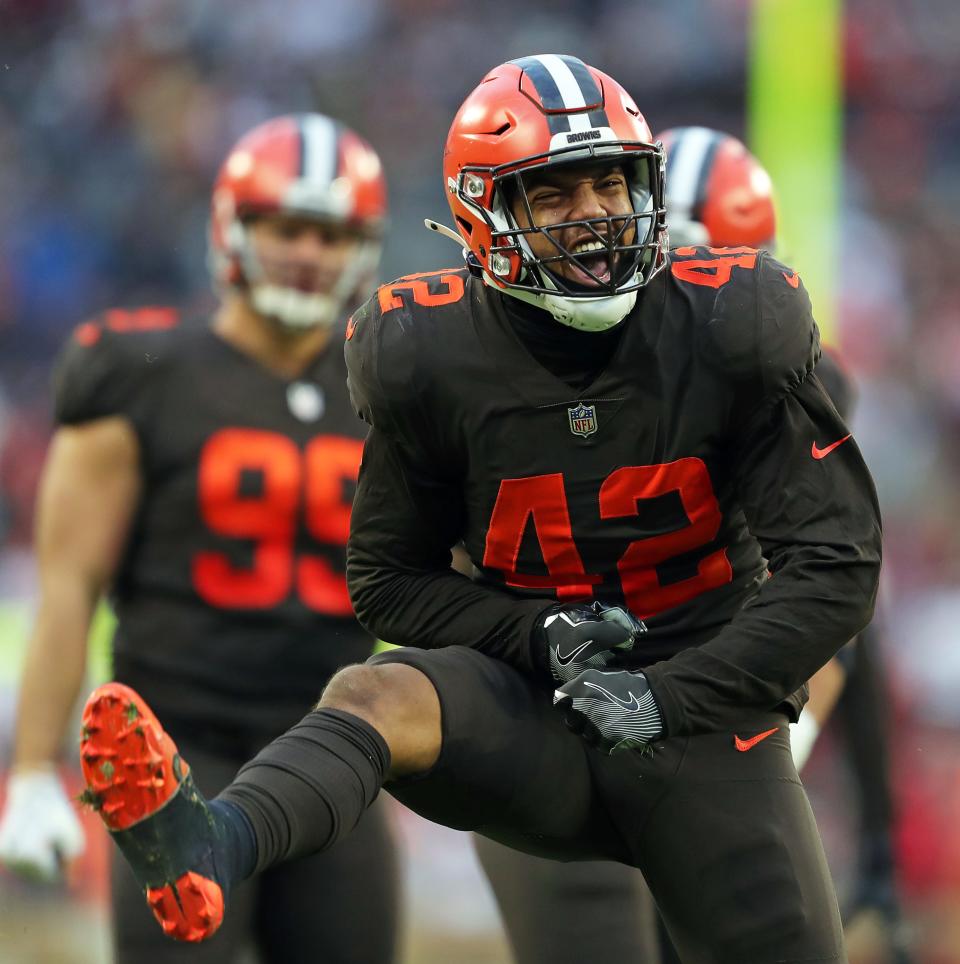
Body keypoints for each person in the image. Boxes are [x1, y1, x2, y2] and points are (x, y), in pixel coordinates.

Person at [80, 56, 881, 963]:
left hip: (705, 726)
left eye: (611, 181)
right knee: (375, 692)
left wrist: (663, 695)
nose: (596, 216)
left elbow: (838, 570)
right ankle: (211, 843)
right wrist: (535, 635)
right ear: (482, 213)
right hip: (534, 709)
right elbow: (385, 581)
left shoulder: (734, 324)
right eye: (554, 194)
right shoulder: (426, 352)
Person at [0, 114, 400, 964]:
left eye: (331, 233)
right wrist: (33, 768)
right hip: (175, 751)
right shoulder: (140, 371)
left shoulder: (393, 390)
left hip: (332, 746)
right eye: (286, 225)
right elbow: (68, 582)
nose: (308, 251)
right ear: (232, 227)